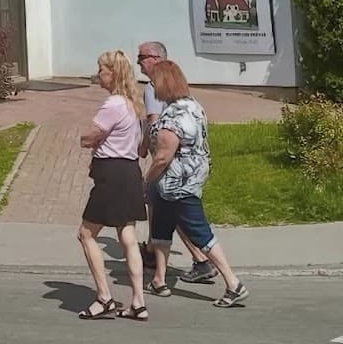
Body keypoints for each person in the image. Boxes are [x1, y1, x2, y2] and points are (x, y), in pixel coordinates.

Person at [144, 59, 249, 309]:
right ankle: (159, 280)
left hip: (179, 184)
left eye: (154, 82)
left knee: (200, 232)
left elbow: (162, 156)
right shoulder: (193, 106)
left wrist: (145, 179)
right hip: (178, 183)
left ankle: (233, 284)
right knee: (161, 227)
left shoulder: (175, 115)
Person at [76, 50, 149, 321]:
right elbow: (141, 143)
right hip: (130, 172)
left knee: (86, 234)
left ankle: (104, 297)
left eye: (102, 69)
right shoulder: (133, 103)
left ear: (113, 73)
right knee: (128, 237)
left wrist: (84, 140)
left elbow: (93, 134)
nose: (98, 74)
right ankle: (138, 302)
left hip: (112, 174)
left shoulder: (114, 104)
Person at [135, 41, 216, 285]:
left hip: (168, 159)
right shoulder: (176, 85)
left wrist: (142, 149)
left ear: (156, 58)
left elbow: (153, 122)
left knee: (170, 209)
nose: (138, 61)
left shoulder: (153, 86)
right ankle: (161, 263)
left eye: (142, 56)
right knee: (169, 211)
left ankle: (201, 260)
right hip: (186, 160)